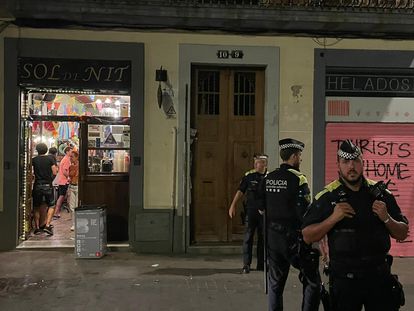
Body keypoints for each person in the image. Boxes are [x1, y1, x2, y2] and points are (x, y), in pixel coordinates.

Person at [302, 139, 409, 311]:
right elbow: (307, 235)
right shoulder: (328, 196)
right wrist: (333, 218)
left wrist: (386, 217)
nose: (351, 167)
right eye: (346, 162)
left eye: (355, 161)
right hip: (345, 281)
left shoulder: (381, 194)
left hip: (379, 278)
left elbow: (402, 233)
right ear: (338, 165)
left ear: (363, 163)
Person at [263, 138, 320, 311]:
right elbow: (304, 210)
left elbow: (260, 206)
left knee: (275, 285)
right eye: (300, 156)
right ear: (294, 156)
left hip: (273, 238)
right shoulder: (299, 179)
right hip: (293, 238)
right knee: (312, 281)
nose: (300, 159)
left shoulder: (269, 177)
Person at [229, 153, 268, 274]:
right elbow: (241, 191)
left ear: (265, 164)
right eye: (255, 162)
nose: (256, 165)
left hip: (265, 213)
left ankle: (262, 264)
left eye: (259, 162)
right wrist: (233, 205)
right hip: (251, 212)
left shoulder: (270, 177)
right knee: (248, 237)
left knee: (263, 239)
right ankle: (246, 264)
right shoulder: (249, 176)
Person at [31, 143, 58, 235]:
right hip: (47, 185)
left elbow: (30, 172)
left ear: (37, 150)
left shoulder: (34, 160)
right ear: (46, 150)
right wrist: (50, 179)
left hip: (37, 184)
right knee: (51, 205)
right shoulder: (50, 159)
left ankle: (37, 228)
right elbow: (55, 172)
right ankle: (47, 225)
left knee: (36, 206)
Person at [54, 146, 72, 218]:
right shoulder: (66, 160)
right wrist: (69, 177)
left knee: (62, 196)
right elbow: (65, 171)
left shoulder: (65, 159)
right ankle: (56, 212)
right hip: (64, 181)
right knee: (61, 197)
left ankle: (57, 212)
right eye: (70, 151)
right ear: (67, 152)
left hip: (62, 180)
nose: (71, 153)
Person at [68, 150, 79, 231]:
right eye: (70, 156)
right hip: (72, 186)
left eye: (72, 157)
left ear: (76, 157)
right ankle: (74, 224)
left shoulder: (79, 166)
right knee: (72, 207)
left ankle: (77, 223)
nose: (70, 158)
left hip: (78, 187)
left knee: (77, 206)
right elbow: (71, 177)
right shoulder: (71, 166)